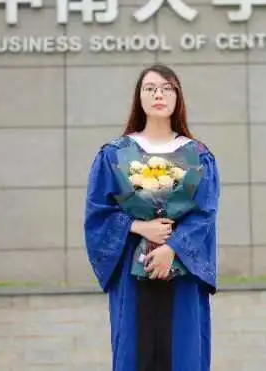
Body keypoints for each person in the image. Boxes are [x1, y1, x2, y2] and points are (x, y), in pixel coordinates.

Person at [83, 64, 220, 371]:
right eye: (150, 88)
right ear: (139, 97)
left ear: (178, 97)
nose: (159, 94)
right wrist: (138, 226)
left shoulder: (198, 155)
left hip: (182, 270)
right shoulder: (115, 154)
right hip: (133, 267)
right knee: (134, 350)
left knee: (183, 351)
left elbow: (205, 213)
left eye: (167, 88)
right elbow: (97, 212)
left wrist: (172, 248)